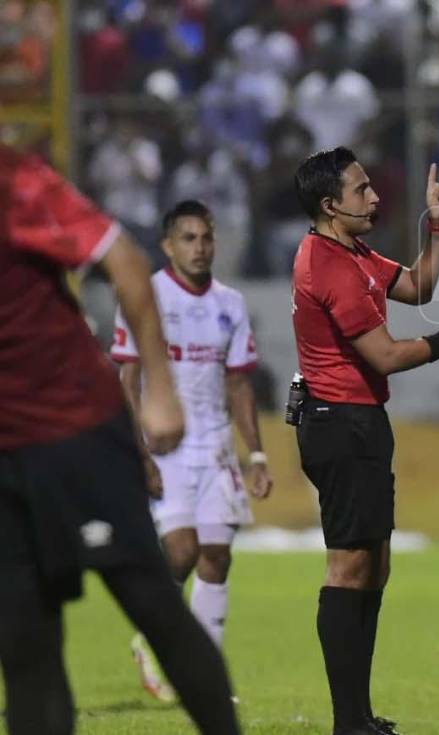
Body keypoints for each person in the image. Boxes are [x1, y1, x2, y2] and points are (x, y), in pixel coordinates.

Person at [0, 147, 240, 734]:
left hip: (77, 431)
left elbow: (127, 263)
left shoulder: (13, 182)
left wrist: (160, 388)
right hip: (5, 453)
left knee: (153, 603)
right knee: (25, 643)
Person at [291, 147, 439, 735]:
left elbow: (416, 286)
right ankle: (347, 722)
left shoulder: (351, 251)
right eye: (362, 190)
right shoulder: (326, 263)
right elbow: (383, 355)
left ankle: (358, 715)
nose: (375, 196)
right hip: (339, 423)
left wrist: (437, 229)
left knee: (373, 565)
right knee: (348, 567)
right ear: (331, 205)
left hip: (359, 423)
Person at [111, 200, 273, 701]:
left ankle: (203, 679)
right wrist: (137, 452)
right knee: (180, 552)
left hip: (216, 445)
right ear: (167, 245)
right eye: (188, 238)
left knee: (218, 557)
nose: (199, 248)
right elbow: (127, 376)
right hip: (164, 445)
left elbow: (239, 384)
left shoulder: (230, 302)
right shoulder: (146, 297)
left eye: (206, 238)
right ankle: (154, 640)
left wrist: (258, 455)